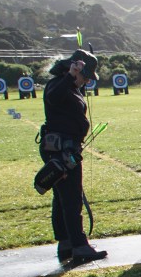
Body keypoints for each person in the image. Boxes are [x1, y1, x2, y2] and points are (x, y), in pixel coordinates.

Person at [40, 50, 107, 263]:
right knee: (71, 197)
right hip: (61, 150)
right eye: (85, 76)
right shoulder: (58, 84)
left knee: (63, 197)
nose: (87, 80)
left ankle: (66, 243)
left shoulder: (69, 87)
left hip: (66, 148)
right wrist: (71, 75)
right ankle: (79, 245)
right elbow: (53, 97)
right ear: (73, 70)